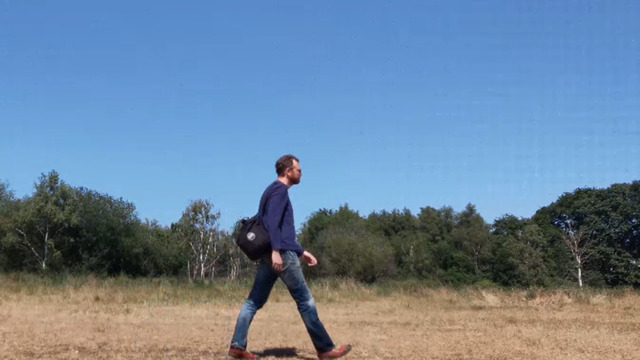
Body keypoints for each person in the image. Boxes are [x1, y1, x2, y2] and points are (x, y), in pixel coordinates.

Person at [228, 155, 351, 360]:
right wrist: (277, 251)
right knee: (305, 301)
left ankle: (237, 347)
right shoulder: (279, 191)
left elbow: (278, 228)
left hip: (274, 253)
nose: (301, 173)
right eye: (298, 169)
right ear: (288, 171)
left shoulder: (271, 190)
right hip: (281, 255)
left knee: (253, 301)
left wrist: (301, 251)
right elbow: (273, 225)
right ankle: (325, 349)